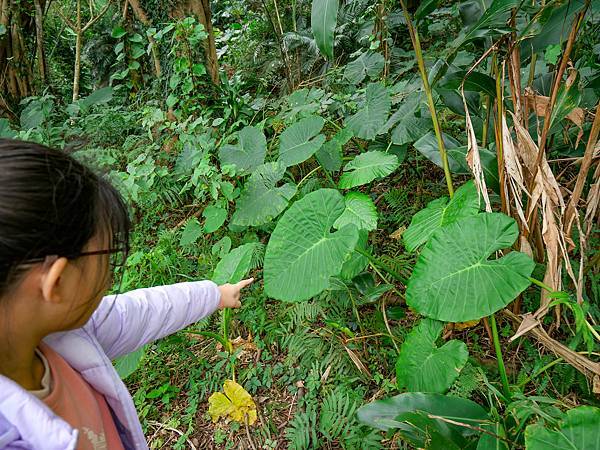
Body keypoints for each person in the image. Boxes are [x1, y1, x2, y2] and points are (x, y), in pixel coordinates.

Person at [0, 139, 253, 449]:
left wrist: (214, 295)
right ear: (58, 282)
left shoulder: (60, 336)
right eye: (106, 260)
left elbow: (140, 312)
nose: (108, 277)